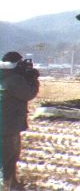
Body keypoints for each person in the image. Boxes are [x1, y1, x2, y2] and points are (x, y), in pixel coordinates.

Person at [0, 52, 39, 190]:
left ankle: (9, 183)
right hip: (9, 125)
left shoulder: (4, 75)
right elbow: (28, 93)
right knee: (9, 156)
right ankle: (7, 185)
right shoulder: (14, 79)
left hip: (6, 124)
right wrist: (33, 79)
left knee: (6, 156)